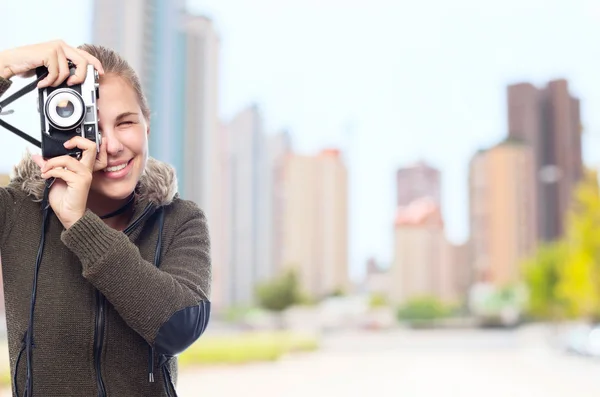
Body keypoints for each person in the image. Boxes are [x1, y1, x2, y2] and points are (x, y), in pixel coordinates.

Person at [0, 40, 212, 397]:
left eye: (125, 122)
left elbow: (178, 326)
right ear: (59, 131)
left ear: (147, 127)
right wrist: (3, 67)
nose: (111, 145)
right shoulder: (16, 211)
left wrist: (79, 223)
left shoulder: (181, 220)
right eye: (91, 127)